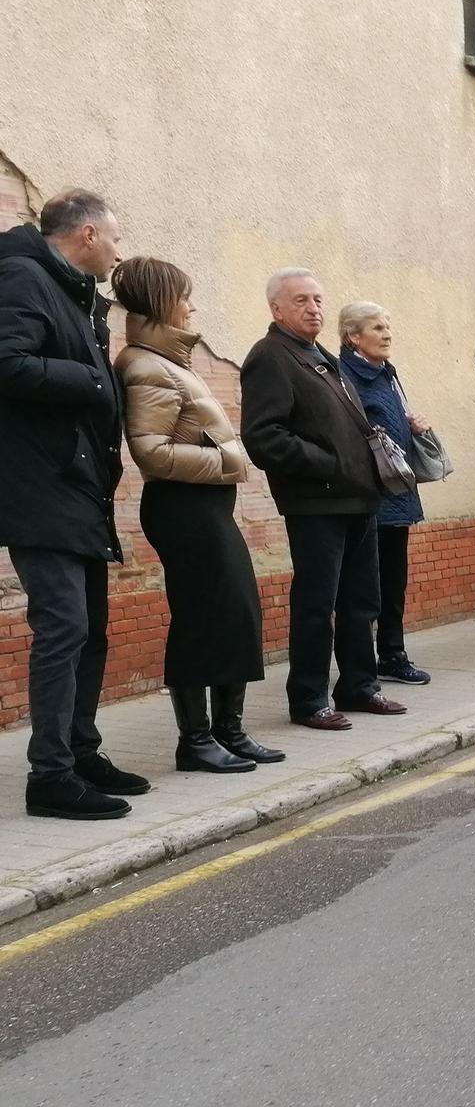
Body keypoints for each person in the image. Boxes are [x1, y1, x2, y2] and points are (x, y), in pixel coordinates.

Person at [0, 189, 151, 818]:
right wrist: (96, 380)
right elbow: (7, 363)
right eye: (114, 238)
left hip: (78, 486)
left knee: (89, 628)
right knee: (64, 627)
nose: (119, 251)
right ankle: (50, 777)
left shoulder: (72, 291)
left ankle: (80, 752)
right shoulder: (22, 276)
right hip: (40, 485)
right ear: (87, 235)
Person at [111, 256, 281, 773]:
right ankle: (196, 740)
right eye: (185, 296)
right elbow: (151, 452)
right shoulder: (145, 365)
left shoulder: (170, 362)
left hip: (205, 507)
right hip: (183, 508)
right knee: (201, 620)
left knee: (236, 614)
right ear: (163, 301)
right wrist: (229, 461)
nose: (193, 306)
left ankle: (229, 731)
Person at [242, 268, 401, 730]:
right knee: (317, 605)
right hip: (316, 503)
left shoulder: (321, 355)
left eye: (317, 300)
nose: (313, 308)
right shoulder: (271, 356)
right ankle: (309, 699)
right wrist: (330, 462)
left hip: (358, 501)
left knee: (361, 601)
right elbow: (263, 436)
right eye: (301, 301)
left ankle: (358, 685)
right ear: (276, 309)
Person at [338, 302, 432, 688]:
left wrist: (414, 424)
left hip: (397, 492)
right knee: (366, 589)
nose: (387, 333)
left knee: (394, 583)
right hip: (370, 496)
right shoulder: (347, 377)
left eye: (387, 326)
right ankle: (362, 666)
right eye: (377, 327)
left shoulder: (387, 374)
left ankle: (392, 654)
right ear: (353, 336)